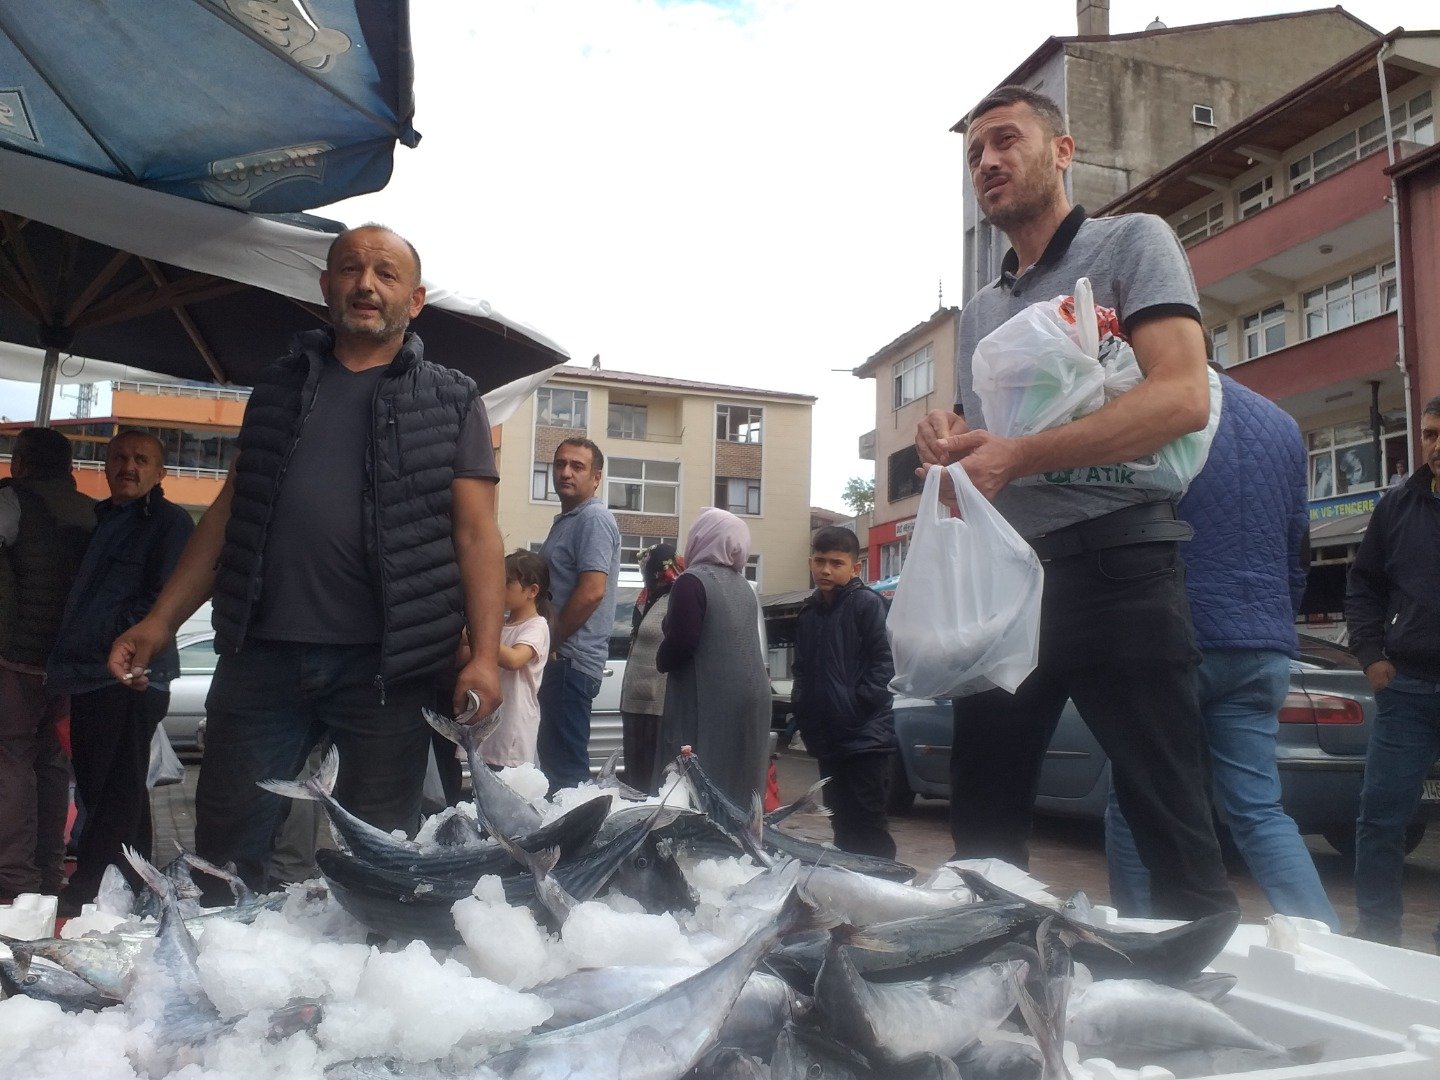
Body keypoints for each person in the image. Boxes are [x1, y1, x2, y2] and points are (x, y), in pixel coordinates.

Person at [915, 85, 1236, 919]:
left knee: (1171, 820)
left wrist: (1018, 453)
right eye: (975, 151)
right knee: (981, 825)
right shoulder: (982, 311)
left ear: (1062, 151)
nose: (987, 160)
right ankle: (990, 1004)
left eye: (1006, 141)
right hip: (1009, 582)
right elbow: (990, 454)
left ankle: (1193, 1017)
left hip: (1120, 564)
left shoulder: (1133, 243)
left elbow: (1180, 399)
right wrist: (954, 451)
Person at [107, 224, 506, 893]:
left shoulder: (452, 396)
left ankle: (366, 985)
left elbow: (476, 536)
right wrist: (161, 621)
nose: (366, 285)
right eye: (350, 269)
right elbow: (232, 515)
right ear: (327, 285)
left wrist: (486, 654)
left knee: (382, 858)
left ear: (415, 300)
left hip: (391, 668)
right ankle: (230, 983)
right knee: (227, 854)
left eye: (385, 273)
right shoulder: (279, 387)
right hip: (261, 659)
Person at [1104, 373, 1339, 930]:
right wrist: (1275, 621)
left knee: (1137, 801)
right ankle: (1326, 947)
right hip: (1262, 644)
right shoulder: (1282, 425)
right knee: (1259, 811)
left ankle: (1139, 941)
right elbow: (1295, 543)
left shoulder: (1152, 405)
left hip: (1175, 636)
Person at [46, 431, 194, 910]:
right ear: (106, 465)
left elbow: (161, 601)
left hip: (131, 672)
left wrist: (126, 647)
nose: (128, 467)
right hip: (90, 672)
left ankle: (94, 883)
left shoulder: (169, 523)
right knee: (109, 782)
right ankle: (133, 881)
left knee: (113, 785)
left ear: (160, 472)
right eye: (119, 458)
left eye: (141, 459)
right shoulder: (103, 518)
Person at [1346, 394, 1440, 948]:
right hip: (1406, 688)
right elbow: (1363, 585)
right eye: (1429, 434)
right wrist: (1370, 655)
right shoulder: (1398, 506)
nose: (1435, 445)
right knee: (1381, 820)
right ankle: (1378, 936)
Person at [0, 428, 95, 902]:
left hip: (15, 657)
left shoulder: (12, 501)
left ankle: (14, 881)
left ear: (20, 462)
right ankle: (49, 871)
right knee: (52, 764)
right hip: (67, 661)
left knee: (10, 762)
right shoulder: (89, 508)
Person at [792, 525, 898, 859]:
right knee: (840, 825)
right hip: (828, 738)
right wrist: (803, 711)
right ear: (810, 562)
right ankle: (852, 893)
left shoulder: (868, 605)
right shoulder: (808, 613)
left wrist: (856, 706)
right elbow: (802, 670)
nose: (826, 569)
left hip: (865, 739)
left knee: (868, 826)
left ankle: (885, 893)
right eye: (820, 561)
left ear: (855, 568)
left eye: (836, 563)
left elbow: (887, 664)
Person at [654, 507, 770, 807]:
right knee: (738, 785)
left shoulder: (691, 581)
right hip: (750, 699)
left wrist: (660, 659)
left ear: (701, 538)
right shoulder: (744, 586)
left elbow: (682, 641)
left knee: (694, 783)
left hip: (706, 699)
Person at [537, 438, 621, 791]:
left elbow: (591, 592)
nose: (565, 472)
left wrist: (549, 640)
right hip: (560, 660)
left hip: (569, 660)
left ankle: (578, 845)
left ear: (596, 477)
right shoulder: (570, 520)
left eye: (577, 466)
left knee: (567, 776)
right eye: (560, 464)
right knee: (554, 767)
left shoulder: (593, 518)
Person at [619, 544, 684, 794]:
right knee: (635, 770)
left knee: (653, 774)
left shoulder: (677, 599)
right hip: (633, 699)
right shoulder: (645, 598)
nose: (644, 571)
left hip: (657, 701)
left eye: (648, 566)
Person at [481, 550, 553, 769]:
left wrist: (479, 637)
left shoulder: (537, 626)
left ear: (532, 591)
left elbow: (514, 660)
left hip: (514, 722)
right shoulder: (500, 624)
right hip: (493, 719)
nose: (498, 590)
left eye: (506, 585)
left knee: (509, 783)